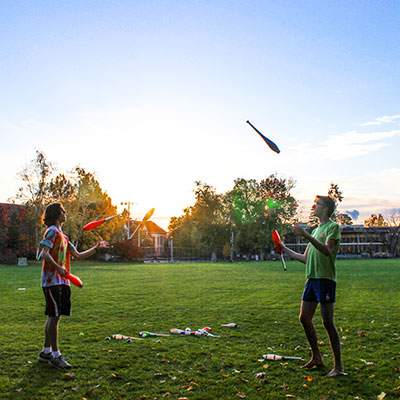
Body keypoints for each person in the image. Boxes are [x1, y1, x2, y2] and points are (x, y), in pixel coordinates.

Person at [280, 195, 346, 377]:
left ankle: (338, 367)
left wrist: (305, 235)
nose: (313, 206)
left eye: (317, 204)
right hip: (312, 279)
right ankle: (316, 357)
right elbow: (305, 258)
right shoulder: (316, 230)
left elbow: (327, 250)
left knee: (327, 323)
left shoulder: (333, 227)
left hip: (325, 279)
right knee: (304, 318)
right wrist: (284, 248)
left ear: (325, 209)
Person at [37, 203, 108, 369]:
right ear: (56, 214)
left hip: (62, 281)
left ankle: (45, 352)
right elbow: (44, 253)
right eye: (62, 210)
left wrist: (96, 248)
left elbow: (78, 256)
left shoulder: (64, 237)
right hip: (51, 281)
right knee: (53, 317)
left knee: (55, 316)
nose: (65, 212)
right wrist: (58, 268)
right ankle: (55, 356)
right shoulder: (52, 231)